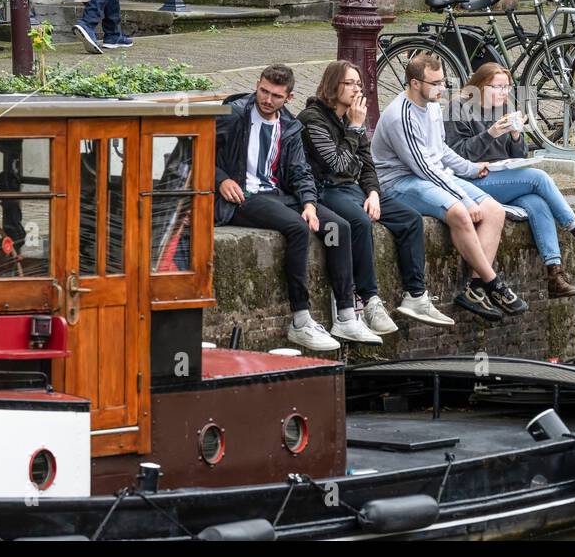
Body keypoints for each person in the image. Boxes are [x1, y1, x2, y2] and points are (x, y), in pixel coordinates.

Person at [214, 64, 383, 352]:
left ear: (289, 97)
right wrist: (221, 179)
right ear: (257, 84)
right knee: (296, 228)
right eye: (263, 91)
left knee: (338, 227)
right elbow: (197, 149)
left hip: (277, 194)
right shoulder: (235, 115)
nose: (267, 100)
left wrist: (308, 203)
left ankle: (345, 315)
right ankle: (300, 320)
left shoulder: (290, 127)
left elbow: (300, 171)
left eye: (276, 96)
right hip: (242, 197)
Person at [371, 53, 529, 323]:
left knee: (493, 210)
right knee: (459, 212)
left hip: (433, 174)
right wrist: (464, 197)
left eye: (443, 81)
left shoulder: (432, 105)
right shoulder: (401, 116)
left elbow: (440, 150)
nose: (442, 88)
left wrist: (468, 168)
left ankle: (475, 289)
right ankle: (494, 283)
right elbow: (422, 167)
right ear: (415, 83)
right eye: (435, 83)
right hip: (400, 181)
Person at [298, 60, 453, 331]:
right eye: (350, 83)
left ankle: (415, 295)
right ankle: (369, 300)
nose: (357, 89)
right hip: (325, 189)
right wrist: (355, 128)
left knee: (410, 219)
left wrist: (373, 192)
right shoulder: (313, 119)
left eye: (359, 83)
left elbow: (367, 163)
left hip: (353, 189)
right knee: (358, 222)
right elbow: (338, 164)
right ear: (333, 85)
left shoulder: (350, 117)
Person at [446, 63, 575, 298]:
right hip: (470, 181)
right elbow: (458, 155)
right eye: (497, 87)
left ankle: (555, 273)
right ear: (479, 86)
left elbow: (518, 157)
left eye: (506, 87)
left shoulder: (504, 106)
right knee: (538, 178)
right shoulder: (459, 107)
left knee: (537, 202)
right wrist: (492, 134)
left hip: (502, 177)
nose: (503, 92)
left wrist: (517, 136)